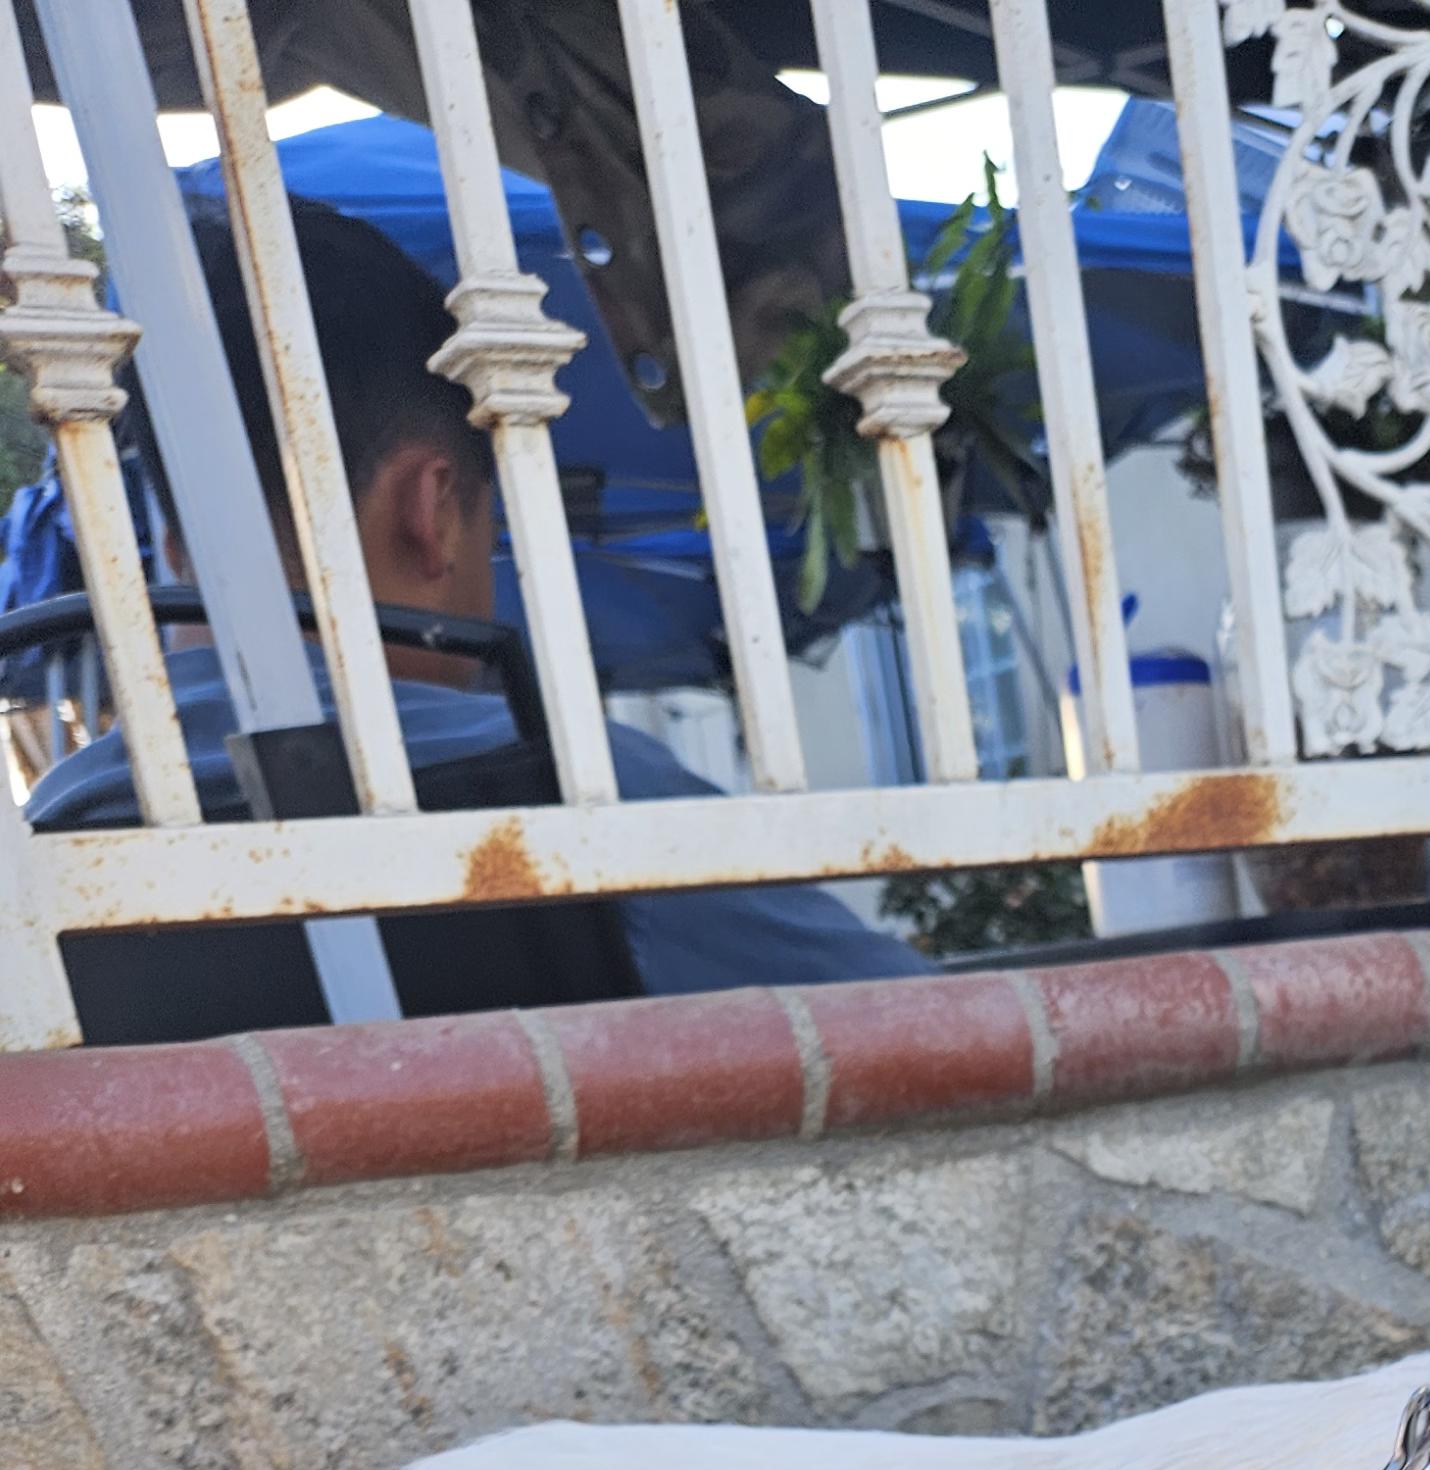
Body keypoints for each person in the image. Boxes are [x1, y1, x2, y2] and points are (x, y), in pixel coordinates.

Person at [25, 196, 923, 998]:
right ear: (434, 508)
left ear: (172, 540)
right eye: (490, 536)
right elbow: (937, 1037)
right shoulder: (586, 802)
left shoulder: (49, 843)